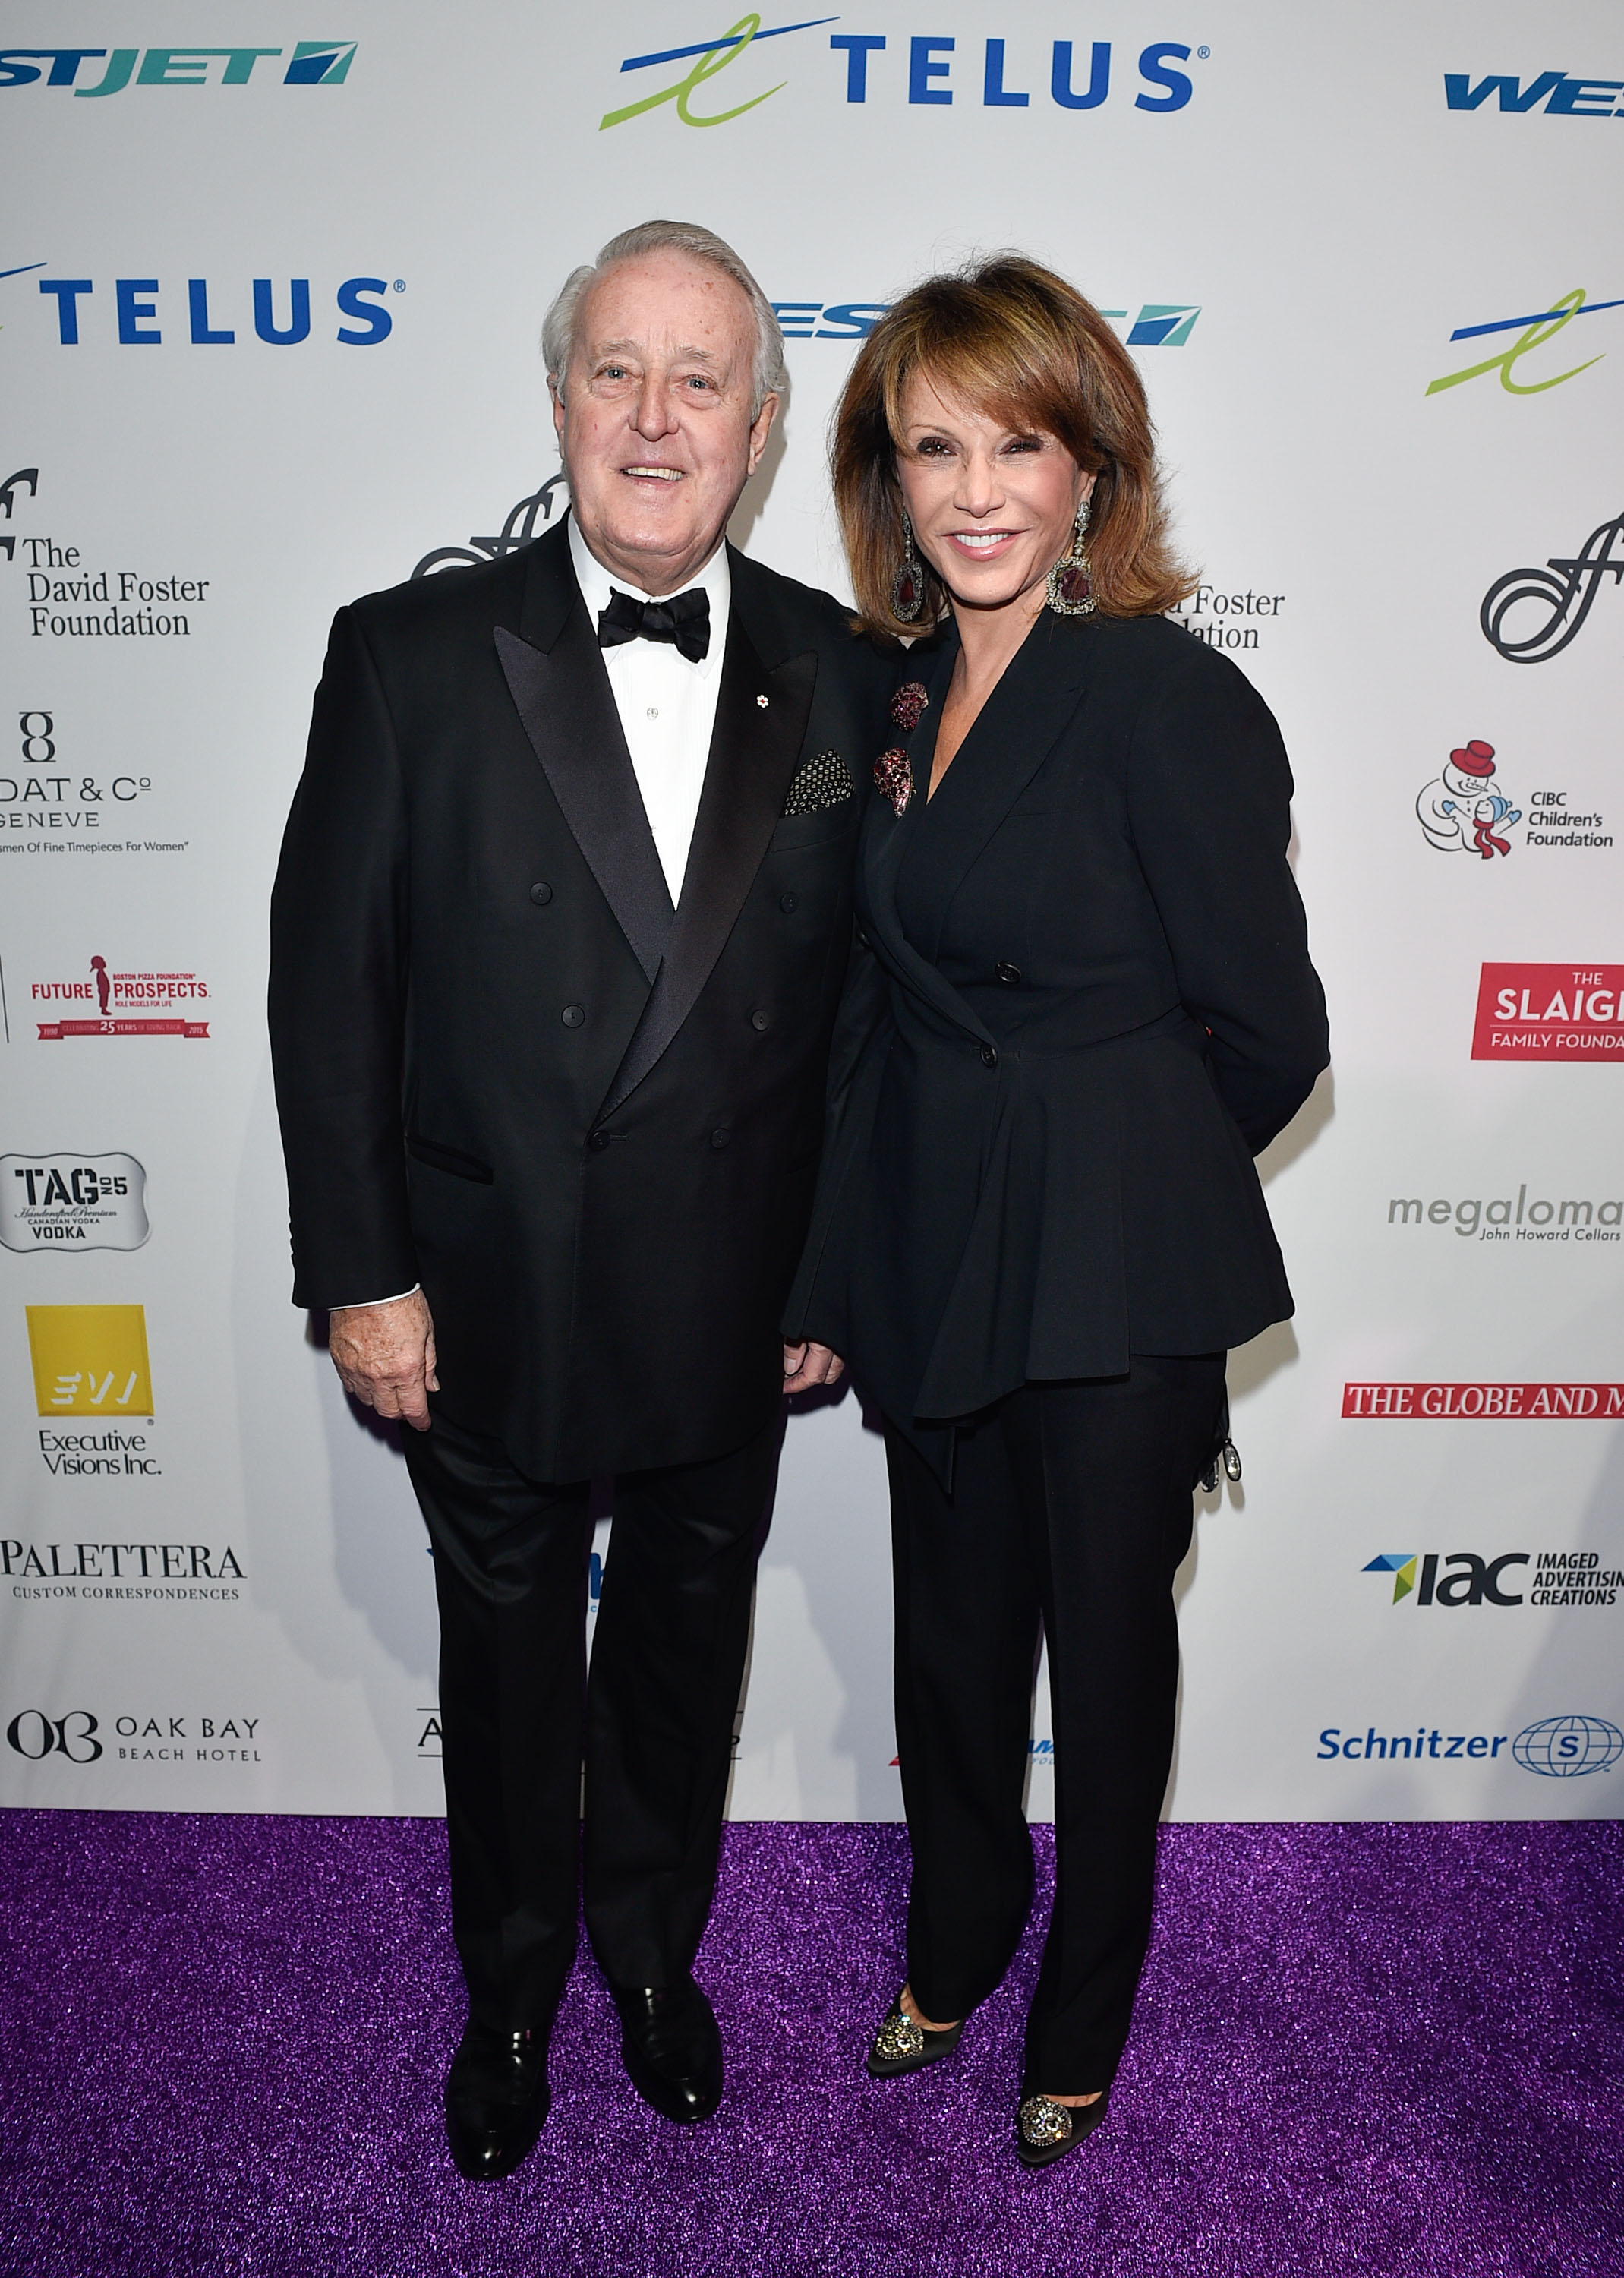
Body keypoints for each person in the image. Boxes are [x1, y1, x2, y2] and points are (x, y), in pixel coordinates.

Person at [269, 219, 885, 2182]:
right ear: (556, 401)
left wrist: (830, 1262)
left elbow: (869, 1018)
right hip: (491, 1285)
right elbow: (327, 985)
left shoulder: (843, 675)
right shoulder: (406, 657)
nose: (651, 417)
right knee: (511, 1666)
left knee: (683, 1656)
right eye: (613, 370)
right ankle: (516, 1986)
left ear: (764, 427)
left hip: (730, 1292)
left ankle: (647, 1953)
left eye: (697, 379)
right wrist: (361, 1270)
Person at [784, 255, 1329, 2169]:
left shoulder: (1163, 695)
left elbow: (1268, 1033)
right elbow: (869, 1020)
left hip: (1108, 1285)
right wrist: (836, 1266)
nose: (977, 487)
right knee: (945, 1655)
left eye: (1017, 440)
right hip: (931, 1263)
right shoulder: (895, 689)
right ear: (888, 481)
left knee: (1102, 1669)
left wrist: (1121, 1174)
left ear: (1091, 466)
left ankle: (1079, 2016)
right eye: (932, 446)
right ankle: (956, 1940)